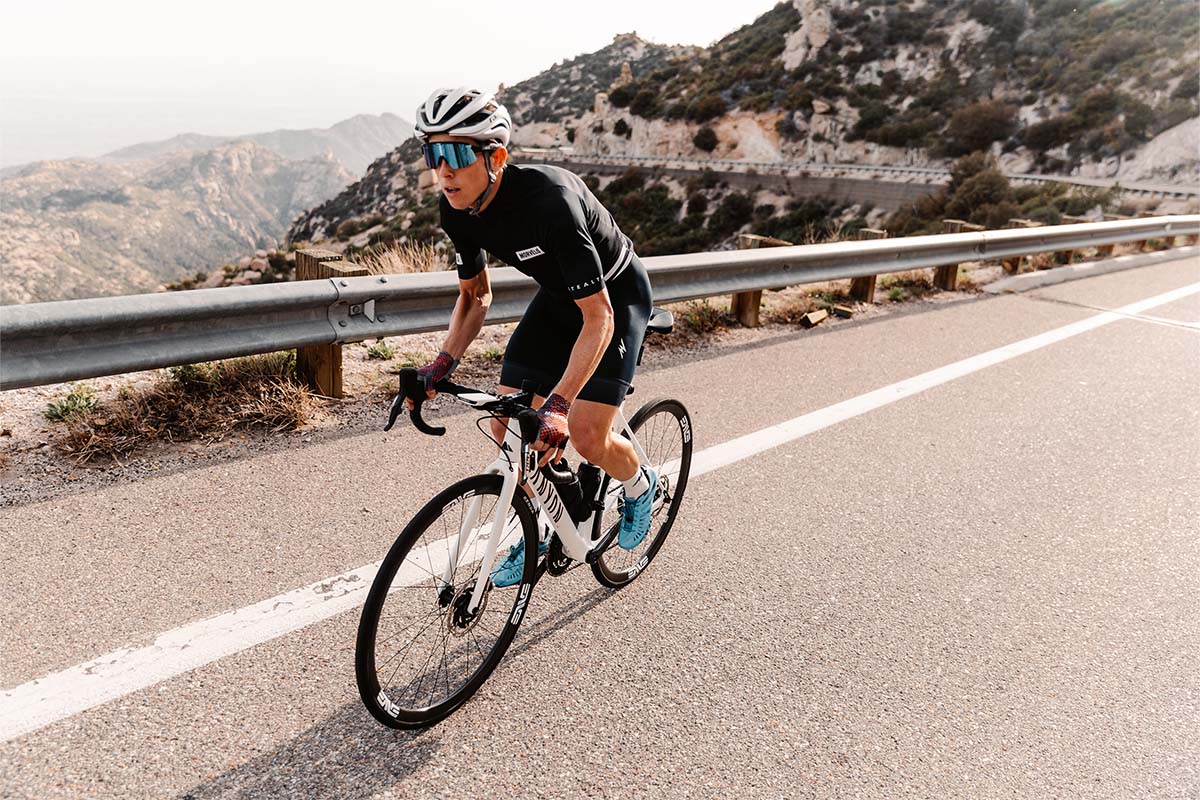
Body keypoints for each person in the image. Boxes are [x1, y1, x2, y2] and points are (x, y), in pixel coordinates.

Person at [409, 86, 657, 587]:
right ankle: (543, 524)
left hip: (613, 298)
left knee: (586, 434)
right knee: (509, 431)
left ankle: (639, 485)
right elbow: (475, 297)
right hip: (557, 300)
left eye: (457, 153)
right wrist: (440, 367)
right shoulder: (455, 208)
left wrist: (561, 405)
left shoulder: (552, 204)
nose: (444, 170)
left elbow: (599, 317)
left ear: (495, 157)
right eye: (434, 154)